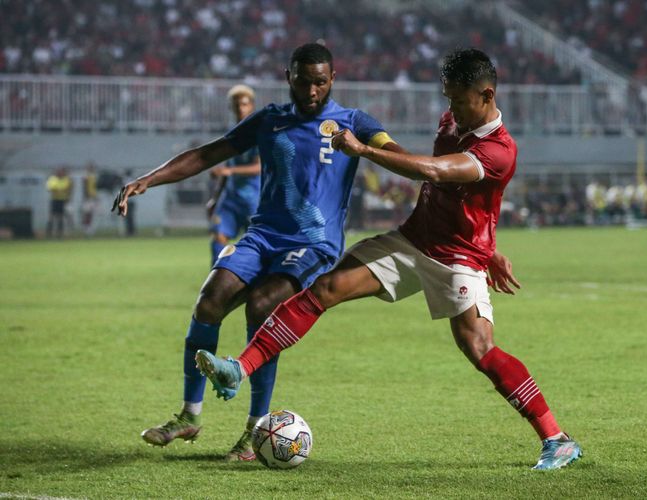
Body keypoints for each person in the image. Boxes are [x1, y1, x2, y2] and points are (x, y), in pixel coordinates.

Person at [196, 48, 582, 470]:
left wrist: (362, 150)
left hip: (456, 257)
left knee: (479, 347)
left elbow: (431, 171)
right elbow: (468, 202)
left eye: (457, 100)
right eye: (447, 97)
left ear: (486, 94)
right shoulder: (453, 119)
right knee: (326, 287)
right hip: (413, 240)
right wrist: (494, 247)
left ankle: (556, 438)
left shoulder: (498, 151)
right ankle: (239, 367)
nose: (449, 108)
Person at [112, 43, 401, 461]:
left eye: (320, 82)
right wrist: (148, 180)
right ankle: (189, 415)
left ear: (333, 79)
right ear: (289, 77)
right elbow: (209, 153)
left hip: (313, 244)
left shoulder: (353, 122)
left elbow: (398, 156)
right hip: (262, 236)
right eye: (304, 81)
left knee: (263, 305)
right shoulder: (269, 119)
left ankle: (254, 431)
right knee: (210, 300)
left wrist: (370, 151)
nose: (312, 90)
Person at [207, 85, 262, 265]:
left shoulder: (258, 134)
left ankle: (252, 283)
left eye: (244, 104)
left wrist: (229, 171)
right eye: (237, 105)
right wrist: (215, 198)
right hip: (230, 198)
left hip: (253, 199)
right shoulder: (232, 135)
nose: (240, 109)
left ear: (252, 106)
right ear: (232, 108)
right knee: (218, 238)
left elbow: (258, 167)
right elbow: (227, 167)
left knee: (255, 245)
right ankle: (216, 283)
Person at [46, 167, 72, 238]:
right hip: (55, 200)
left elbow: (67, 188)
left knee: (61, 217)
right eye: (59, 171)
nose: (60, 173)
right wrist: (60, 189)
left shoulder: (66, 179)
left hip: (62, 200)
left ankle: (59, 234)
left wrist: (58, 189)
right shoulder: (53, 179)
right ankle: (49, 233)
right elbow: (51, 188)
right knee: (51, 216)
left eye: (62, 172)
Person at [81, 163, 98, 237]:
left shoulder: (94, 176)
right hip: (88, 197)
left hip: (93, 197)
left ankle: (89, 228)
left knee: (92, 213)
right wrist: (86, 196)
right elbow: (84, 187)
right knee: (87, 213)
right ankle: (85, 227)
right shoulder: (86, 176)